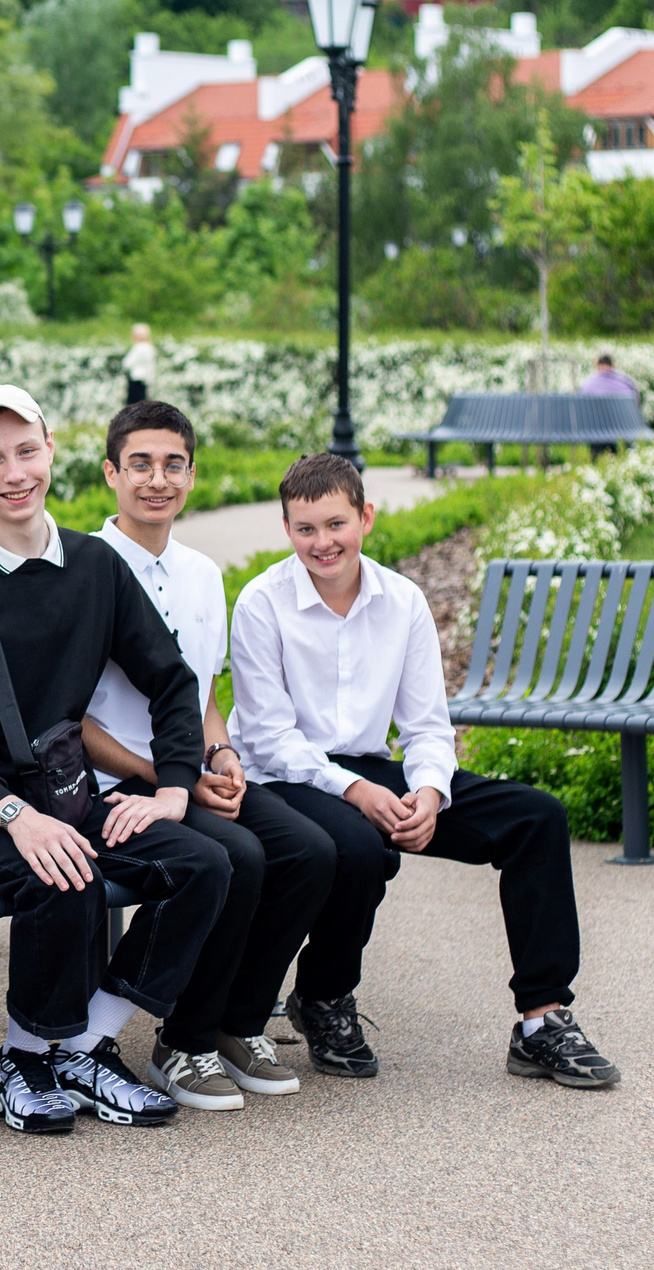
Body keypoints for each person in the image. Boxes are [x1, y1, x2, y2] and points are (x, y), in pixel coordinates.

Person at [229, 453, 621, 1089]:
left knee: (536, 818)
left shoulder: (401, 601)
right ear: (286, 528)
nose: (322, 543)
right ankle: (324, 998)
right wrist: (355, 791)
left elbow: (426, 727)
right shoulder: (261, 603)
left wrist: (431, 791)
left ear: (366, 517)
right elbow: (271, 740)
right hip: (289, 777)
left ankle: (542, 1020)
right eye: (306, 529)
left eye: (336, 524)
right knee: (356, 844)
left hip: (372, 768)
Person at [0, 385, 233, 1137]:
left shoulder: (93, 565)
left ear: (50, 448)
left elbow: (173, 679)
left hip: (65, 788)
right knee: (62, 867)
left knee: (203, 863)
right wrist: (16, 817)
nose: (14, 472)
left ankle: (86, 1043)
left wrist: (176, 786)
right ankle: (21, 1059)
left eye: (26, 451)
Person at [79, 400, 333, 1109]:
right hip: (112, 783)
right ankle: (181, 1041)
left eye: (173, 464)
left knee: (309, 851)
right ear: (111, 473)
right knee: (239, 857)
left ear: (192, 475)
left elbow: (203, 692)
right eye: (140, 464)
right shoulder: (83, 568)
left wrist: (217, 751)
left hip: (186, 775)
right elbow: (68, 720)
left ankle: (237, 1021)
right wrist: (164, 773)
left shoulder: (201, 572)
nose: (157, 479)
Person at [579, 351, 642, 458]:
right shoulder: (626, 382)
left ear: (597, 365)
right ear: (613, 365)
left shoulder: (588, 384)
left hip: (597, 432)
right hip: (624, 430)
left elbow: (582, 407)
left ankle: (597, 461)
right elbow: (636, 401)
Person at [122, 323, 157, 407]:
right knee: (141, 405)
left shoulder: (138, 347)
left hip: (135, 379)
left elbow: (126, 363)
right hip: (144, 380)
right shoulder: (150, 347)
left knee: (132, 406)